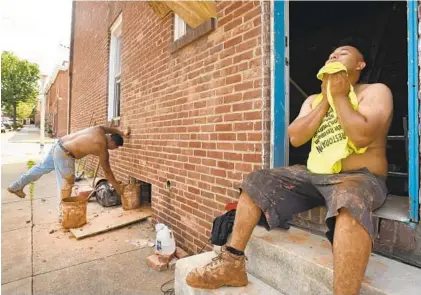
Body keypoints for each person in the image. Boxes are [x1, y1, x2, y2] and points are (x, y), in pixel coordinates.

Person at [186, 40, 393, 295]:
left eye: (344, 52)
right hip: (315, 174)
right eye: (331, 53)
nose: (334, 54)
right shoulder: (314, 100)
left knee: (350, 202)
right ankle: (232, 263)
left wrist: (340, 96)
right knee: (256, 179)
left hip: (358, 177)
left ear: (361, 64)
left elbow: (362, 136)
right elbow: (296, 137)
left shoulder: (374, 91)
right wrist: (326, 101)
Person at [7, 125, 130, 221]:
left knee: (41, 168)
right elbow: (108, 173)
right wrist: (119, 190)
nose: (113, 149)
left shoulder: (99, 129)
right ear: (113, 143)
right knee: (66, 185)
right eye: (115, 148)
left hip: (59, 145)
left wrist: (121, 132)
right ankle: (63, 215)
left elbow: (111, 129)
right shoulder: (102, 147)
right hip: (65, 155)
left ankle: (15, 186)